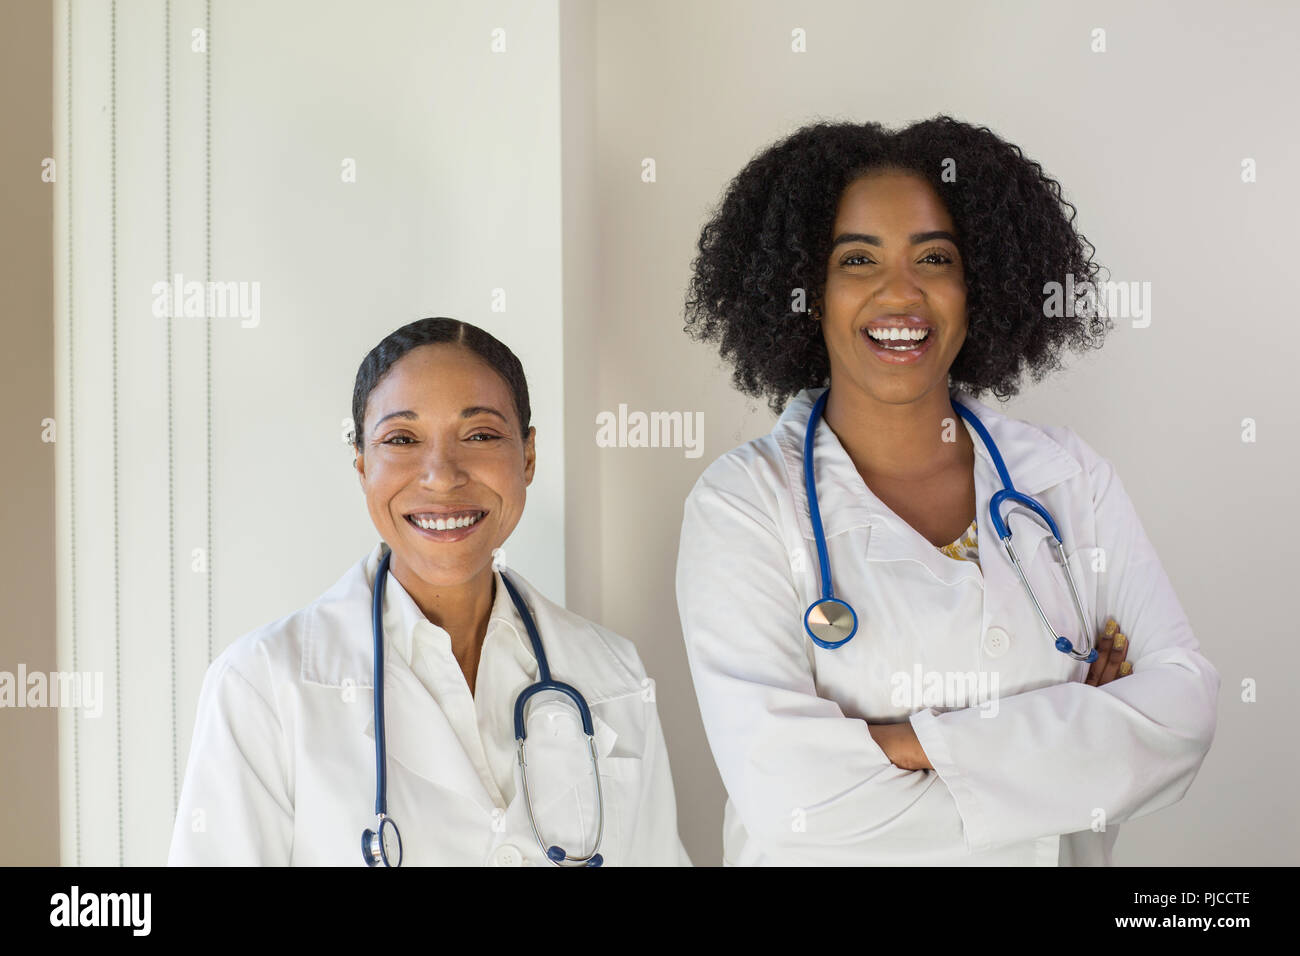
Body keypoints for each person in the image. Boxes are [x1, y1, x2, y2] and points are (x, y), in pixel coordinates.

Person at [675, 117, 1219, 866]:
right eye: (857, 261)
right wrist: (1079, 726)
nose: (902, 293)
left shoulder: (1066, 479)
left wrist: (898, 744)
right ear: (808, 292)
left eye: (935, 257)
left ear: (979, 285)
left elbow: (1182, 714)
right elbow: (792, 797)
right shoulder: (742, 505)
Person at [169, 317, 691, 866]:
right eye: (402, 439)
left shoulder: (614, 676)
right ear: (362, 465)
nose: (442, 475)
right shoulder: (262, 685)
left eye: (481, 435)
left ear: (528, 457)